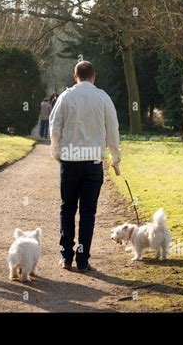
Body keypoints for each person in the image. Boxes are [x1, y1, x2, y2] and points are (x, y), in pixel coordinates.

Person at [49, 61, 121, 272]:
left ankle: (66, 255)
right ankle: (82, 258)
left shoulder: (65, 97)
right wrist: (115, 157)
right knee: (88, 212)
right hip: (92, 162)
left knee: (67, 208)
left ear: (75, 76)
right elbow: (113, 129)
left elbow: (54, 127)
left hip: (70, 160)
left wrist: (57, 152)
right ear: (94, 76)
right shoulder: (103, 97)